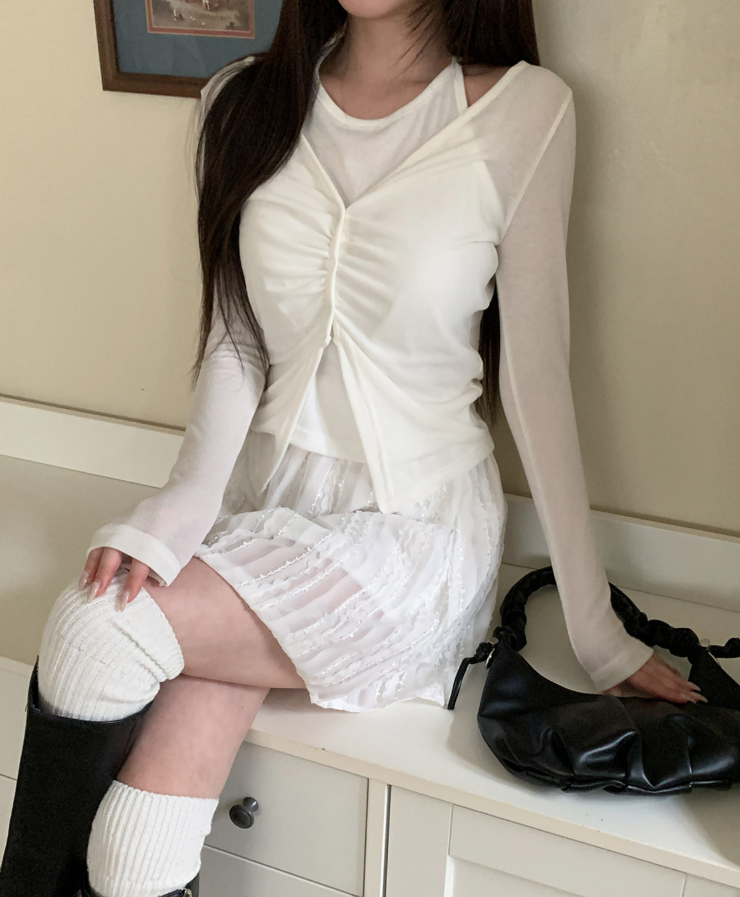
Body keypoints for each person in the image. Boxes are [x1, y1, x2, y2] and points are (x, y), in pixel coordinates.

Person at [0, 2, 705, 896]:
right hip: (263, 512)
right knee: (130, 849)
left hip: (412, 533)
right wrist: (177, 509)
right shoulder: (240, 102)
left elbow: (535, 381)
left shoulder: (524, 109)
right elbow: (234, 340)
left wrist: (596, 632)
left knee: (95, 630)